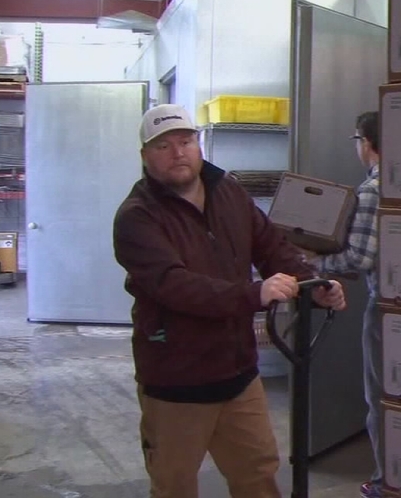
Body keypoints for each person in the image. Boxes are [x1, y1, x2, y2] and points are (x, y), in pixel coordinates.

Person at [112, 104, 347, 498]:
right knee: (174, 486)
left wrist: (313, 284)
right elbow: (174, 285)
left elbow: (270, 245)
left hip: (237, 373)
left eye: (185, 141)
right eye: (163, 146)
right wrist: (254, 293)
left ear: (198, 144)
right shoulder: (136, 218)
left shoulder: (228, 191)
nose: (178, 153)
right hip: (176, 380)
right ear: (145, 155)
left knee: (258, 474)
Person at [308, 111, 382, 498]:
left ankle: (385, 483)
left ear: (366, 143)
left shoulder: (372, 190)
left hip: (386, 308)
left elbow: (359, 257)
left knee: (380, 398)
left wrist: (313, 262)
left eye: (357, 140)